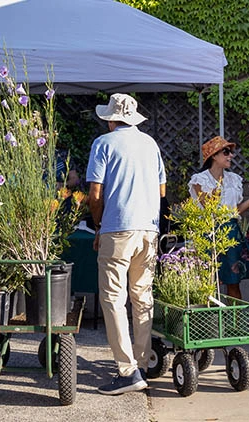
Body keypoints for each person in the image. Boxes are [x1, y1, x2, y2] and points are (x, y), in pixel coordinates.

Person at [86, 94, 166, 395]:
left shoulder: (104, 144)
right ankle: (142, 364)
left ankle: (127, 371)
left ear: (110, 119)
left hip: (117, 229)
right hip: (149, 229)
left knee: (113, 300)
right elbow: (161, 190)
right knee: (142, 297)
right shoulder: (150, 144)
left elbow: (95, 194)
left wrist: (98, 225)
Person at [188, 136, 249, 299]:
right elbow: (208, 207)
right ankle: (209, 322)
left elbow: (234, 211)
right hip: (208, 231)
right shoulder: (199, 180)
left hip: (231, 231)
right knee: (208, 281)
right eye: (226, 152)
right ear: (213, 156)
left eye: (231, 152)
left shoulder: (234, 179)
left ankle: (234, 323)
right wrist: (215, 193)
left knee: (233, 281)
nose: (231, 156)